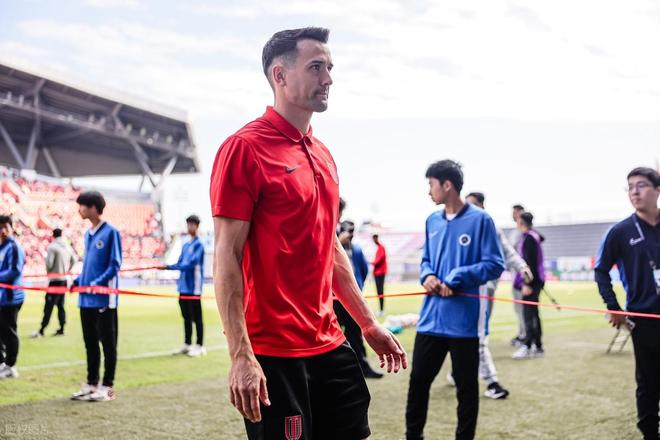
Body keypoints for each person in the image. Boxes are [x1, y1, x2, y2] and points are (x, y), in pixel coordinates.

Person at [210, 27, 406, 440]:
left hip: (331, 342)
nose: (328, 78)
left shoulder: (323, 154)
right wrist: (240, 355)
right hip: (274, 353)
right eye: (316, 67)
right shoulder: (244, 148)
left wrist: (368, 324)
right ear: (279, 76)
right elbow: (226, 256)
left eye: (330, 67)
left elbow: (329, 248)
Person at [405, 160, 505, 440]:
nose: (429, 191)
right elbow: (426, 261)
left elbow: (495, 265)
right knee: (418, 383)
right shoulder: (432, 221)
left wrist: (458, 277)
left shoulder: (481, 220)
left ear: (447, 185)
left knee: (466, 390)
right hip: (430, 321)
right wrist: (427, 276)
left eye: (431, 185)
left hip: (463, 324)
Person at [594, 167, 659, 440]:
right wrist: (613, 307)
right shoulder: (620, 232)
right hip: (644, 321)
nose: (634, 191)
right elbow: (600, 271)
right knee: (648, 384)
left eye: (641, 185)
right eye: (630, 186)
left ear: (657, 190)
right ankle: (650, 433)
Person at [446, 192, 531, 400]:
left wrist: (522, 267)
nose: (467, 209)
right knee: (463, 335)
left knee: (478, 335)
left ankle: (486, 380)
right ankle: (474, 376)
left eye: (472, 205)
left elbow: (507, 251)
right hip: (459, 291)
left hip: (484, 291)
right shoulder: (456, 225)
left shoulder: (489, 225)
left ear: (482, 206)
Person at [70, 191, 122, 402]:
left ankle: (108, 389)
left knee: (108, 345)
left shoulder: (111, 232)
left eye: (82, 205)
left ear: (93, 207)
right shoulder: (88, 234)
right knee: (90, 343)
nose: (79, 210)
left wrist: (96, 283)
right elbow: (88, 266)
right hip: (86, 298)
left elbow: (114, 265)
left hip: (104, 299)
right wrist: (78, 281)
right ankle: (92, 384)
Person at [335, 220, 383, 379]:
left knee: (355, 334)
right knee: (333, 336)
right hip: (332, 300)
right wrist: (338, 242)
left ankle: (362, 367)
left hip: (350, 299)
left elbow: (363, 269)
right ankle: (339, 371)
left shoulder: (356, 249)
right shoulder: (332, 244)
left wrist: (357, 288)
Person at [162, 215, 206, 357]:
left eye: (192, 224)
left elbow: (190, 264)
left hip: (194, 288)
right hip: (183, 287)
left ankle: (199, 345)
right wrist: (167, 266)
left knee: (197, 317)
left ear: (197, 226)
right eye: (188, 224)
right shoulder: (186, 245)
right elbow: (180, 262)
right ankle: (187, 343)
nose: (189, 227)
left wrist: (170, 267)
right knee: (186, 316)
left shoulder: (199, 245)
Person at [511, 211, 546, 360]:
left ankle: (529, 345)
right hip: (535, 281)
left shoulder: (529, 238)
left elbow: (530, 263)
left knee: (529, 315)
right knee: (532, 314)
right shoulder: (532, 236)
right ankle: (536, 346)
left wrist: (527, 283)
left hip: (531, 283)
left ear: (521, 222)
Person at [32, 228, 77, 338]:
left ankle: (41, 330)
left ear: (53, 235)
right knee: (61, 305)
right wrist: (66, 271)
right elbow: (74, 260)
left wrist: (50, 272)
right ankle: (61, 328)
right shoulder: (67, 246)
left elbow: (49, 263)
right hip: (64, 280)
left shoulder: (52, 247)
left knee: (49, 306)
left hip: (54, 280)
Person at [0, 215, 25, 379]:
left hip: (11, 297)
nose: (2, 231)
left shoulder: (14, 246)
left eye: (5, 227)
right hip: (2, 296)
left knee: (9, 332)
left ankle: (10, 366)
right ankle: (2, 363)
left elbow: (15, 271)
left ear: (11, 228)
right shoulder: (2, 247)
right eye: (0, 228)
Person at [509, 203, 526, 347]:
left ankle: (525, 335)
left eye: (516, 212)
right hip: (515, 277)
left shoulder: (524, 233)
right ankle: (522, 333)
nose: (513, 215)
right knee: (518, 308)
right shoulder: (515, 232)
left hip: (521, 278)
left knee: (523, 308)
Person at [371, 234, 388, 316]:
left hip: (380, 273)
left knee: (380, 291)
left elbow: (378, 260)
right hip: (378, 273)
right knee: (379, 291)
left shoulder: (381, 248)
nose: (374, 240)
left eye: (375, 238)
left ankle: (381, 310)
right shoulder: (379, 248)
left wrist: (372, 262)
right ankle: (381, 310)